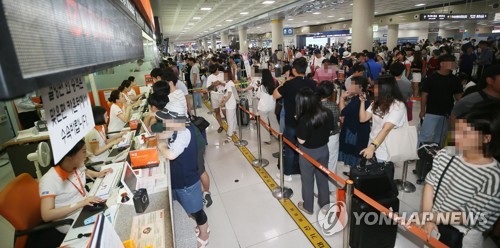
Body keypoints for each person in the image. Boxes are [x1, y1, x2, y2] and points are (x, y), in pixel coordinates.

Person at [420, 102, 500, 247]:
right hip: (433, 226)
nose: (455, 137)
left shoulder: (493, 177)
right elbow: (430, 184)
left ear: (486, 139)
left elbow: (471, 215)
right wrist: (429, 218)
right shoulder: (447, 153)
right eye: (456, 130)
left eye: (465, 134)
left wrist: (431, 217)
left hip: (463, 236)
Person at [39, 140, 112, 245]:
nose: (86, 155)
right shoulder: (49, 180)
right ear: (69, 156)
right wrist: (80, 203)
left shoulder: (76, 164)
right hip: (70, 219)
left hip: (85, 206)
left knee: (112, 205)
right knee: (105, 229)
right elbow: (46, 215)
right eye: (83, 151)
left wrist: (98, 174)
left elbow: (84, 172)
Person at [155, 110, 209, 247]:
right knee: (187, 208)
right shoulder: (176, 128)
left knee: (196, 211)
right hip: (179, 178)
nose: (164, 125)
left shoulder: (184, 132)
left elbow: (171, 154)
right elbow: (160, 133)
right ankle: (201, 226)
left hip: (187, 181)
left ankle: (205, 234)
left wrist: (161, 144)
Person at [273, 57, 317, 181]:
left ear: (294, 70)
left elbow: (275, 95)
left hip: (292, 122)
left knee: (290, 147)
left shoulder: (289, 84)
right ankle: (307, 171)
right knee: (307, 147)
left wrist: (281, 84)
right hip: (308, 121)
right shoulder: (312, 83)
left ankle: (287, 174)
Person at [295, 87, 334, 215]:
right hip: (323, 150)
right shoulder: (327, 112)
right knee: (323, 178)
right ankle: (325, 205)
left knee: (307, 181)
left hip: (308, 153)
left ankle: (308, 206)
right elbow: (331, 129)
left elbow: (301, 141)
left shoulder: (304, 119)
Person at [359, 75, 407, 161]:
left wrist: (372, 146)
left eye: (376, 87)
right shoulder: (377, 102)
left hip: (386, 149)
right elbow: (363, 119)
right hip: (372, 143)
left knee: (381, 172)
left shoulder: (398, 106)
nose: (374, 90)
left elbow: (386, 129)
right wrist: (362, 102)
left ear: (385, 89)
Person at [419, 54, 463, 146]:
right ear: (442, 64)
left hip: (448, 113)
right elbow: (424, 95)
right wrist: (422, 110)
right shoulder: (431, 79)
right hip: (432, 111)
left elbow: (459, 97)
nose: (453, 65)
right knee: (426, 134)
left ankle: (439, 156)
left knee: (442, 136)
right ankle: (421, 154)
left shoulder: (455, 80)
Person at [317, 81, 340, 192]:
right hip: (332, 136)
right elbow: (337, 121)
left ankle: (318, 187)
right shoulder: (334, 106)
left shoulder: (314, 106)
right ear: (331, 93)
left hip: (318, 137)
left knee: (319, 162)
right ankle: (331, 187)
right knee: (332, 161)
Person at [256, 69, 279, 145]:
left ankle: (267, 139)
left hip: (263, 108)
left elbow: (258, 96)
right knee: (274, 121)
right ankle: (277, 135)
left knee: (264, 124)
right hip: (272, 106)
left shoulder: (261, 87)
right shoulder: (274, 84)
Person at [205, 64, 225, 133]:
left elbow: (229, 85)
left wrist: (220, 83)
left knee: (225, 111)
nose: (214, 73)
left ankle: (229, 125)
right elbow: (208, 88)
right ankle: (221, 125)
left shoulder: (223, 74)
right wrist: (212, 85)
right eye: (212, 72)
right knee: (217, 111)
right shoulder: (210, 77)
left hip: (223, 95)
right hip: (214, 95)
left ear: (217, 69)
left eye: (215, 72)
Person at [219, 69, 237, 143]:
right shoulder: (228, 83)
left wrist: (223, 102)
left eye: (225, 75)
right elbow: (225, 94)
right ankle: (234, 130)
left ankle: (229, 136)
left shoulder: (230, 83)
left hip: (230, 104)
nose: (224, 76)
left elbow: (229, 94)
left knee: (230, 120)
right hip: (230, 104)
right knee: (233, 118)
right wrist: (222, 101)